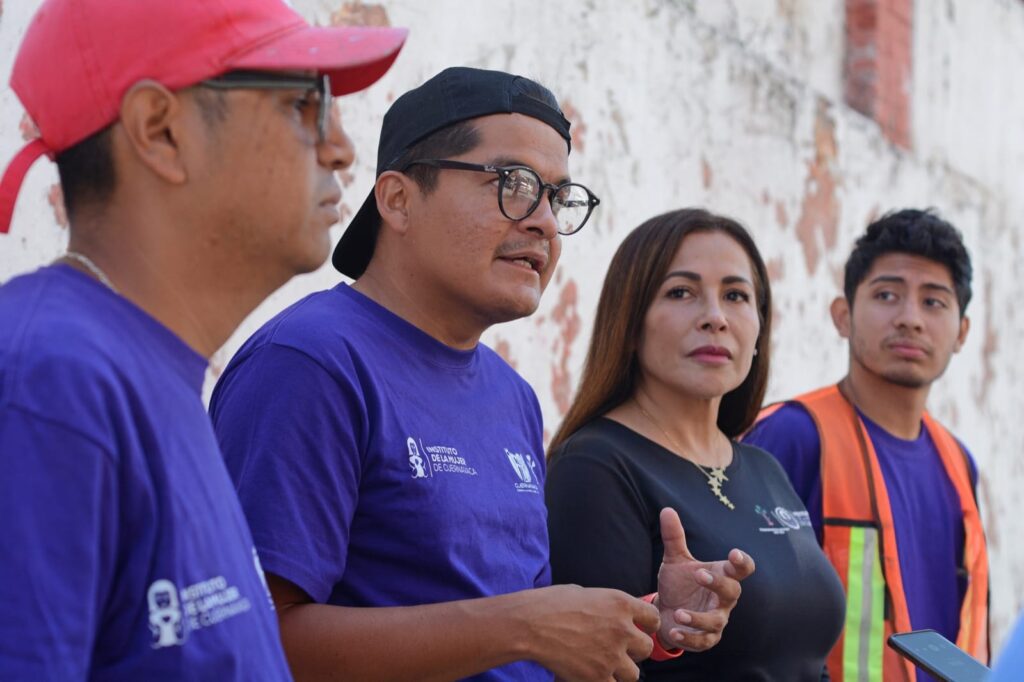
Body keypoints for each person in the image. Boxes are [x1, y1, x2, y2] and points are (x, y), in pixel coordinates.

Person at [210, 67, 754, 682]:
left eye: (557, 198)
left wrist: (647, 622)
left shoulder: (512, 396)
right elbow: (249, 636)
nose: (544, 222)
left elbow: (515, 630)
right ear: (398, 199)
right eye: (514, 184)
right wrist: (522, 625)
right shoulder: (312, 363)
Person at [0, 0, 406, 678]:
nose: (341, 147)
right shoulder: (48, 384)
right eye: (305, 103)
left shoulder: (143, 369)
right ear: (161, 132)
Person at [545, 208, 846, 680]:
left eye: (736, 295)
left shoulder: (765, 467)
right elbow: (593, 666)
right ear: (630, 323)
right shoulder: (594, 467)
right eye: (681, 292)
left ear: (759, 330)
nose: (714, 318)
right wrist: (663, 627)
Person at [744, 209, 988, 682]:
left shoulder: (959, 463)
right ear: (843, 315)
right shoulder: (792, 437)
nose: (910, 319)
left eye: (934, 302)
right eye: (887, 295)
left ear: (961, 332)